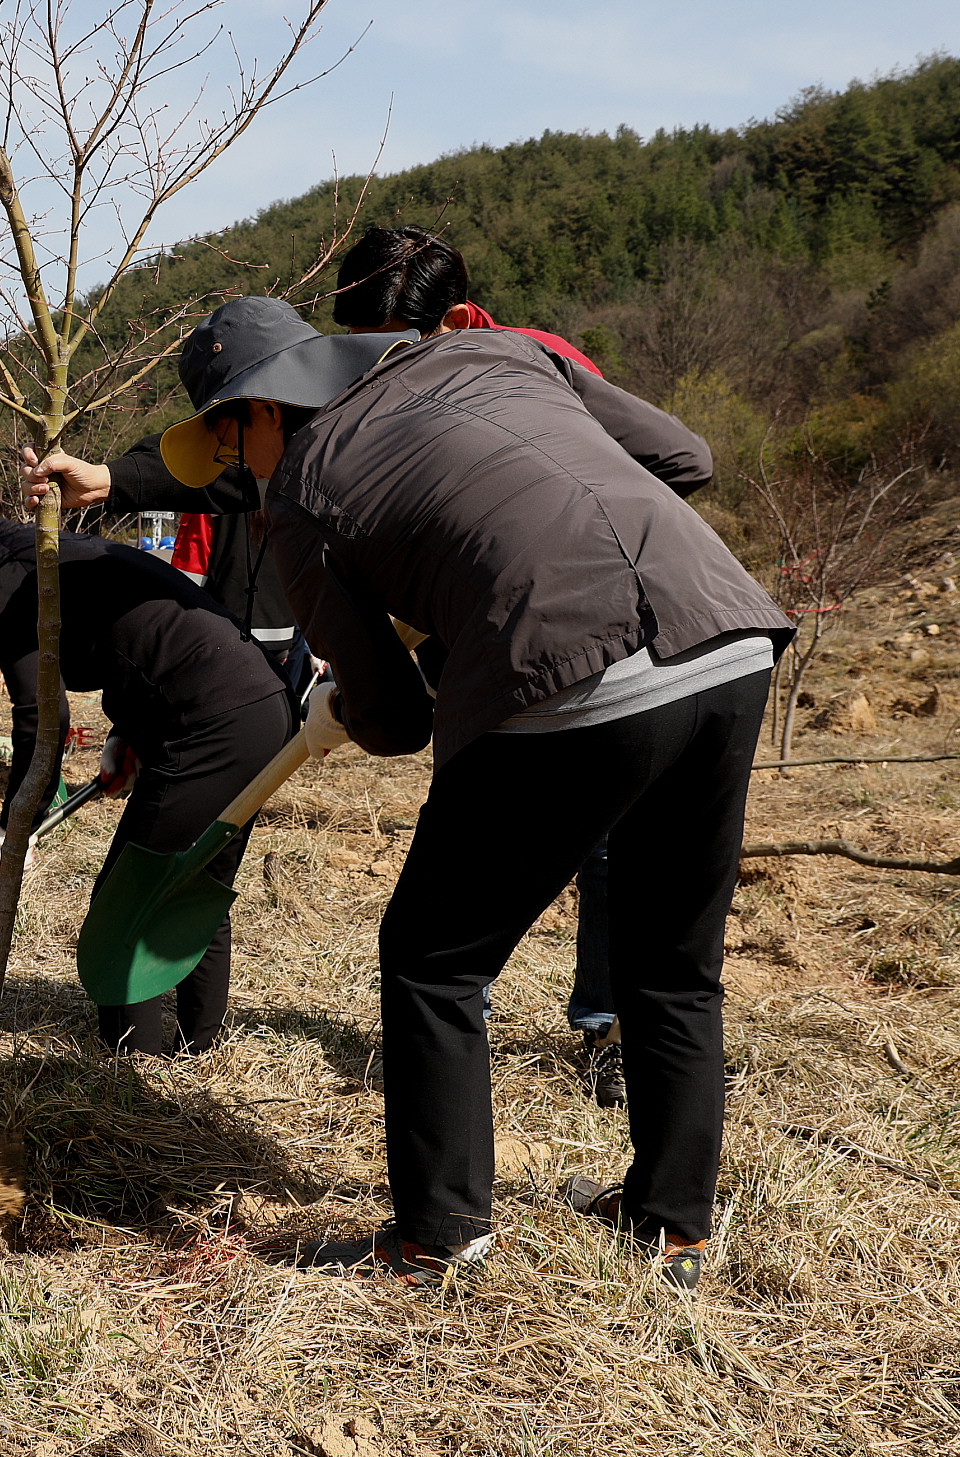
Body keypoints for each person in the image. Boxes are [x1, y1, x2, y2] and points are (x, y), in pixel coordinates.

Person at [170, 295, 791, 1291]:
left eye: (228, 436)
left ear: (265, 408)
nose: (237, 462)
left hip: (571, 669)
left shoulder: (302, 491)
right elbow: (684, 457)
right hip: (725, 634)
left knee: (432, 957)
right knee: (672, 957)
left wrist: (364, 683)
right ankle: (672, 1227)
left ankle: (438, 1236)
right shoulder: (495, 353)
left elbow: (392, 719)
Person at [333, 224, 623, 1107]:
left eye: (395, 347)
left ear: (456, 319)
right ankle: (456, 1023)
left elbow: (646, 471)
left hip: (591, 630)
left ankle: (609, 1028)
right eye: (361, 351)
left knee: (609, 841)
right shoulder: (356, 388)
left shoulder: (540, 361)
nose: (377, 371)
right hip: (467, 645)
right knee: (466, 831)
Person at [0, 463, 290, 1056]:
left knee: (128, 903)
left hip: (211, 723)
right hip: (253, 708)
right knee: (190, 884)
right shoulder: (23, 553)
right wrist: (132, 732)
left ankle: (130, 1063)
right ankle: (199, 1051)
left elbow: (40, 715)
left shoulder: (4, 576)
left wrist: (15, 824)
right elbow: (133, 640)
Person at [25, 299, 414, 690]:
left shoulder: (356, 470)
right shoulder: (357, 431)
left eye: (231, 448)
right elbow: (222, 484)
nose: (241, 467)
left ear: (268, 411)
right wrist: (105, 480)